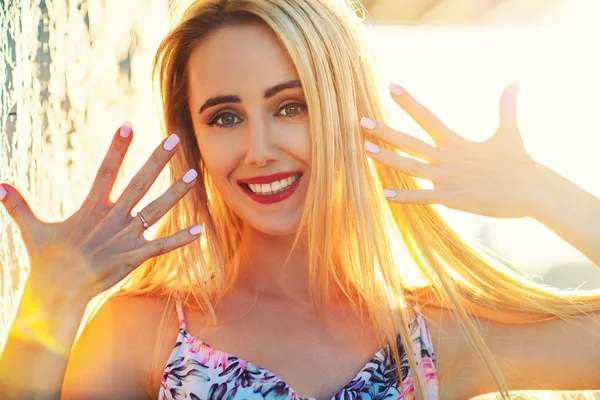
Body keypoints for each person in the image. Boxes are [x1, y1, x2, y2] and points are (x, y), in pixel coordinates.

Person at [1, 0, 599, 398]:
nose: (259, 149)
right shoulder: (145, 333)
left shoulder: (433, 341)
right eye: (225, 116)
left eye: (292, 106)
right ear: (195, 142)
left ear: (346, 111)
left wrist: (540, 192)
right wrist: (51, 295)